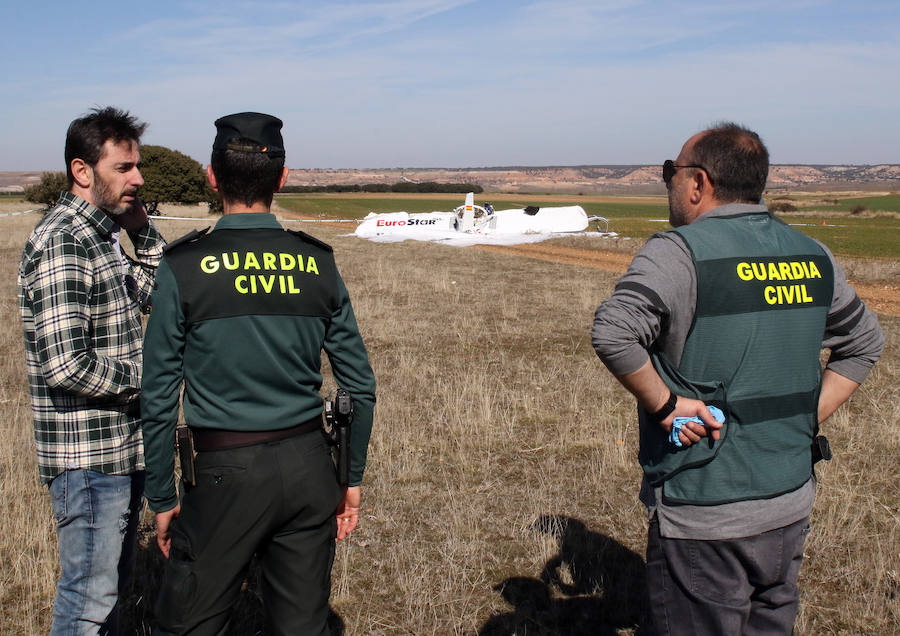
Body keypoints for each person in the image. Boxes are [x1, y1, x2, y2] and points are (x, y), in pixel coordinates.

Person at [591, 122, 884, 635]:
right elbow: (865, 343)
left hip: (705, 508)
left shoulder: (678, 251)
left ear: (698, 182)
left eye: (671, 171)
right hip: (789, 500)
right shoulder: (812, 254)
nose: (668, 181)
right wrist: (802, 419)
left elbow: (613, 332)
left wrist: (667, 406)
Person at [141, 112, 377, 635]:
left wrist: (162, 495)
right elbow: (359, 386)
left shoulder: (183, 266)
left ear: (212, 177)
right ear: (282, 178)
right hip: (310, 465)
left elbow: (157, 394)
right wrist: (349, 478)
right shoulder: (318, 263)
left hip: (223, 472)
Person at [18, 106, 164, 635]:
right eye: (124, 167)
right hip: (88, 461)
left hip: (118, 450)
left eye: (136, 165)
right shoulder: (65, 240)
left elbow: (157, 295)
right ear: (82, 171)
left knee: (109, 592)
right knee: (88, 602)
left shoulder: (101, 236)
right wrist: (152, 380)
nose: (138, 178)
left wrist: (142, 231)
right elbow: (66, 365)